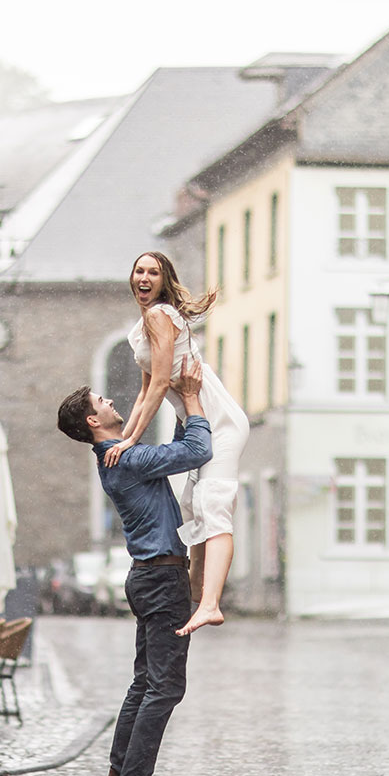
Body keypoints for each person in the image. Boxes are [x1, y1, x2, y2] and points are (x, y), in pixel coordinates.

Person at [57, 357, 211, 776]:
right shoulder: (126, 458)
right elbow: (197, 449)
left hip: (149, 576)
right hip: (162, 580)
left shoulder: (118, 454)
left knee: (144, 682)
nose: (111, 401)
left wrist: (156, 377)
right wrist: (190, 400)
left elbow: (147, 408)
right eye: (101, 401)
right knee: (164, 687)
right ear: (91, 420)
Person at [102, 250, 250, 637]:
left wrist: (132, 438)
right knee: (192, 506)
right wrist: (123, 439)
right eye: (139, 271)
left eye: (153, 272)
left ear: (164, 280)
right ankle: (198, 594)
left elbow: (163, 380)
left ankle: (210, 604)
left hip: (219, 422)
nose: (144, 277)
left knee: (212, 505)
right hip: (196, 421)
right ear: (131, 277)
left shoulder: (159, 316)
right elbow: (143, 393)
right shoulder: (142, 327)